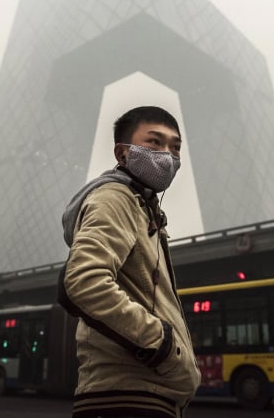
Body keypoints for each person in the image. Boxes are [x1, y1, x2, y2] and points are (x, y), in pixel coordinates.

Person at [59, 106, 201, 418]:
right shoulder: (115, 199)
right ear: (123, 154)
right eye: (154, 142)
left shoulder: (142, 208)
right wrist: (163, 346)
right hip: (127, 398)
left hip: (144, 395)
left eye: (175, 147)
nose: (168, 154)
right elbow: (84, 283)